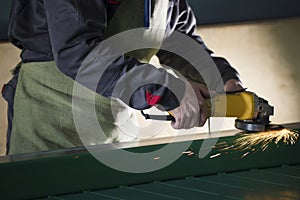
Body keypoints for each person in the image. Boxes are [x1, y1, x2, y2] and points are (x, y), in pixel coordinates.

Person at [2, 0, 243, 155]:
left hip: (114, 132)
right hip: (50, 128)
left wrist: (222, 78)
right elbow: (78, 53)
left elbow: (178, 40)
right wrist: (166, 90)